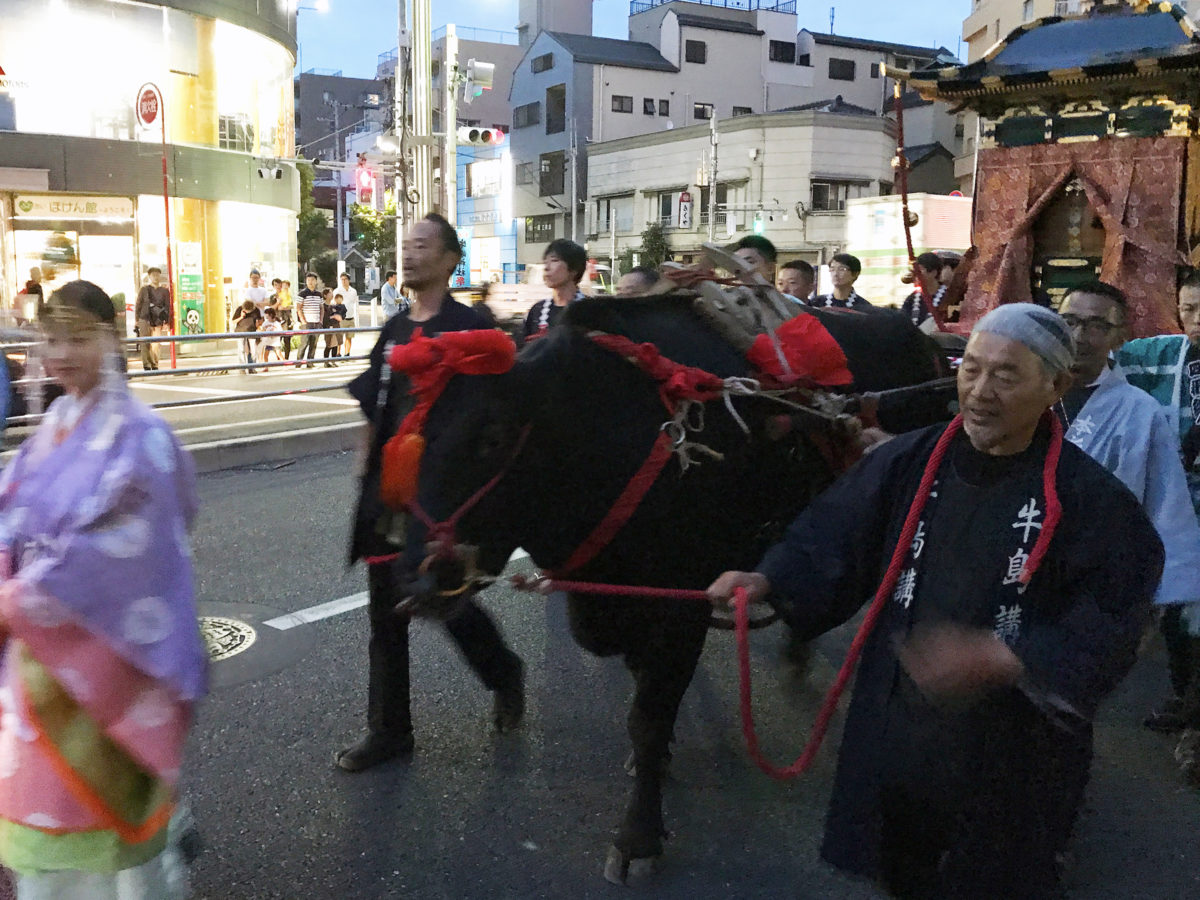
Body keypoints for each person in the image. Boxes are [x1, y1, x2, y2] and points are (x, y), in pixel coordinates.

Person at [708, 303, 1163, 899]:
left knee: (995, 875)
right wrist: (768, 578)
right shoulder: (911, 459)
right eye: (970, 369)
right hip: (900, 724)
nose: (980, 391)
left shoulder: (1090, 499)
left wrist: (1013, 657)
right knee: (901, 867)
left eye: (1005, 375)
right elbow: (836, 530)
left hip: (1012, 744)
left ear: (1055, 384)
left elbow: (1118, 610)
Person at [0, 280, 207, 898]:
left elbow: (128, 549)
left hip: (103, 657)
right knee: (50, 824)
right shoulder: (57, 425)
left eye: (77, 337)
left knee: (107, 834)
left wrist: (19, 598)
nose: (59, 352)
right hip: (41, 661)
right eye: (50, 338)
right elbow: (12, 511)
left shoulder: (141, 436)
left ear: (111, 338)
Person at [340, 213, 524, 772]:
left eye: (423, 245)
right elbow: (374, 401)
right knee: (385, 616)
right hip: (389, 495)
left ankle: (504, 672)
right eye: (407, 245)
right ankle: (390, 731)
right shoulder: (395, 328)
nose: (411, 253)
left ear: (449, 260)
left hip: (442, 501)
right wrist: (365, 465)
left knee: (446, 605)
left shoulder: (470, 329)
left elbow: (490, 428)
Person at [1117, 268, 1200, 732]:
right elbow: (1102, 365)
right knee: (1180, 606)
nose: (1196, 320)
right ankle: (1184, 696)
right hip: (1179, 509)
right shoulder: (1163, 354)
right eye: (1188, 309)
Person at [522, 239, 587, 342]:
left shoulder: (590, 312)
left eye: (554, 260)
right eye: (545, 262)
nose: (546, 268)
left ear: (574, 269)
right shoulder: (537, 311)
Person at [134, 268, 170, 371]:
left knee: (156, 344)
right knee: (145, 343)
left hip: (157, 320)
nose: (155, 277)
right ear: (149, 276)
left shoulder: (164, 291)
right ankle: (146, 364)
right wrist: (137, 319)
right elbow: (138, 304)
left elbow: (167, 306)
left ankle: (154, 363)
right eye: (153, 275)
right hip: (144, 318)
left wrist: (166, 321)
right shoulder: (144, 289)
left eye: (157, 275)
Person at [900, 252, 948, 329]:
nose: (915, 275)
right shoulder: (911, 300)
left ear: (933, 273)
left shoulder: (949, 298)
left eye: (919, 271)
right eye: (914, 271)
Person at [295, 272, 323, 368]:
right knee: (304, 343)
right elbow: (298, 308)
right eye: (308, 280)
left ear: (316, 281)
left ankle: (310, 362)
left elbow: (321, 308)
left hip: (316, 322)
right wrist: (303, 321)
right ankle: (298, 362)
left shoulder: (319, 294)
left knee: (314, 344)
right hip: (306, 322)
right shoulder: (302, 293)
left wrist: (320, 320)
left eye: (312, 280)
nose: (310, 282)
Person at [232, 299, 262, 374]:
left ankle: (252, 367)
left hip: (252, 331)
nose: (248, 312)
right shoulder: (240, 309)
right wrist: (241, 317)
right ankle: (242, 368)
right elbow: (233, 321)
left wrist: (258, 325)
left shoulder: (256, 310)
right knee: (241, 349)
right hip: (240, 331)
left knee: (253, 350)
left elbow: (259, 320)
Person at [334, 272, 359, 359]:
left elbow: (354, 303)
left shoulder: (353, 291)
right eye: (342, 280)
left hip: (350, 317)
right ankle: (337, 353)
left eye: (345, 279)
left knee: (349, 337)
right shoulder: (337, 291)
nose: (344, 281)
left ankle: (347, 353)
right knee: (339, 337)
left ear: (349, 280)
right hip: (341, 318)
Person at [321, 287, 345, 367]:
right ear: (325, 295)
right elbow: (324, 318)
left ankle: (333, 361)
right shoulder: (323, 306)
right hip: (328, 327)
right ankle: (326, 361)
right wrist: (333, 316)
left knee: (335, 344)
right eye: (330, 293)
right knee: (329, 345)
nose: (332, 294)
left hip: (336, 326)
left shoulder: (334, 306)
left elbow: (341, 316)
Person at [277, 279, 295, 360]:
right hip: (281, 317)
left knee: (287, 338)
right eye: (283, 285)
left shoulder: (289, 295)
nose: (285, 287)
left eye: (286, 285)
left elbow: (292, 305)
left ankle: (286, 357)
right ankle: (279, 355)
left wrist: (287, 307)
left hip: (288, 317)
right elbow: (279, 307)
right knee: (279, 338)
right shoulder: (279, 294)